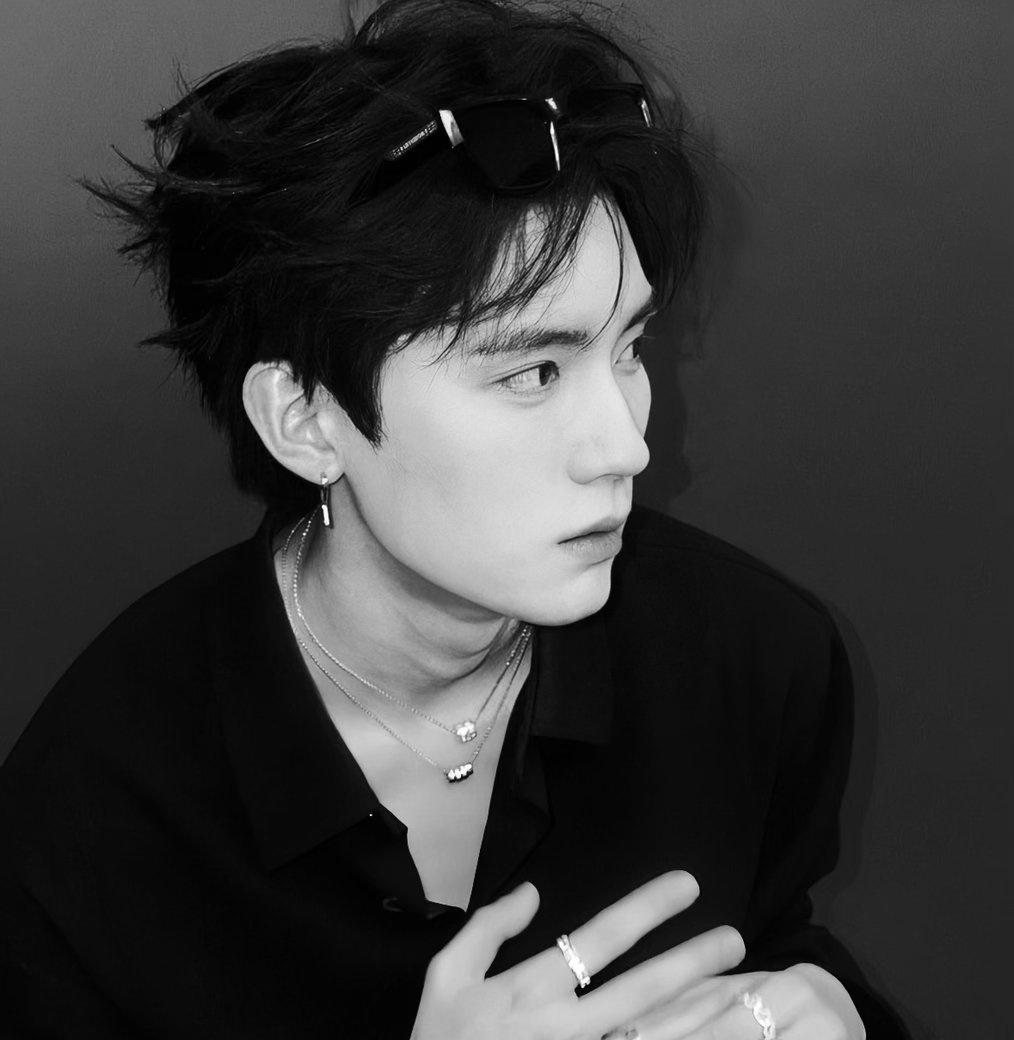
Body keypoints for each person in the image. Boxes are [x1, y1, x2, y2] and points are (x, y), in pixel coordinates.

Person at [0, 1, 910, 1037]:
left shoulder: (752, 661)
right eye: (534, 371)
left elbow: (775, 946)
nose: (625, 445)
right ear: (306, 420)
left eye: (628, 348)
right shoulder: (95, 814)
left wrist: (835, 1011)